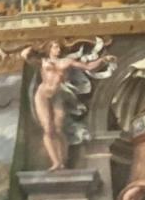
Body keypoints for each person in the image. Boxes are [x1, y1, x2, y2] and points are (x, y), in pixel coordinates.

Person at [19, 41, 114, 171]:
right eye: (55, 47)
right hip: (42, 95)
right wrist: (33, 47)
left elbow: (88, 66)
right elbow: (25, 56)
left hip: (57, 95)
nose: (58, 49)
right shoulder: (43, 61)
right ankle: (55, 162)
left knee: (59, 128)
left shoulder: (66, 62)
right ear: (49, 49)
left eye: (59, 47)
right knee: (48, 128)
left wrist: (103, 60)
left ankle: (62, 161)